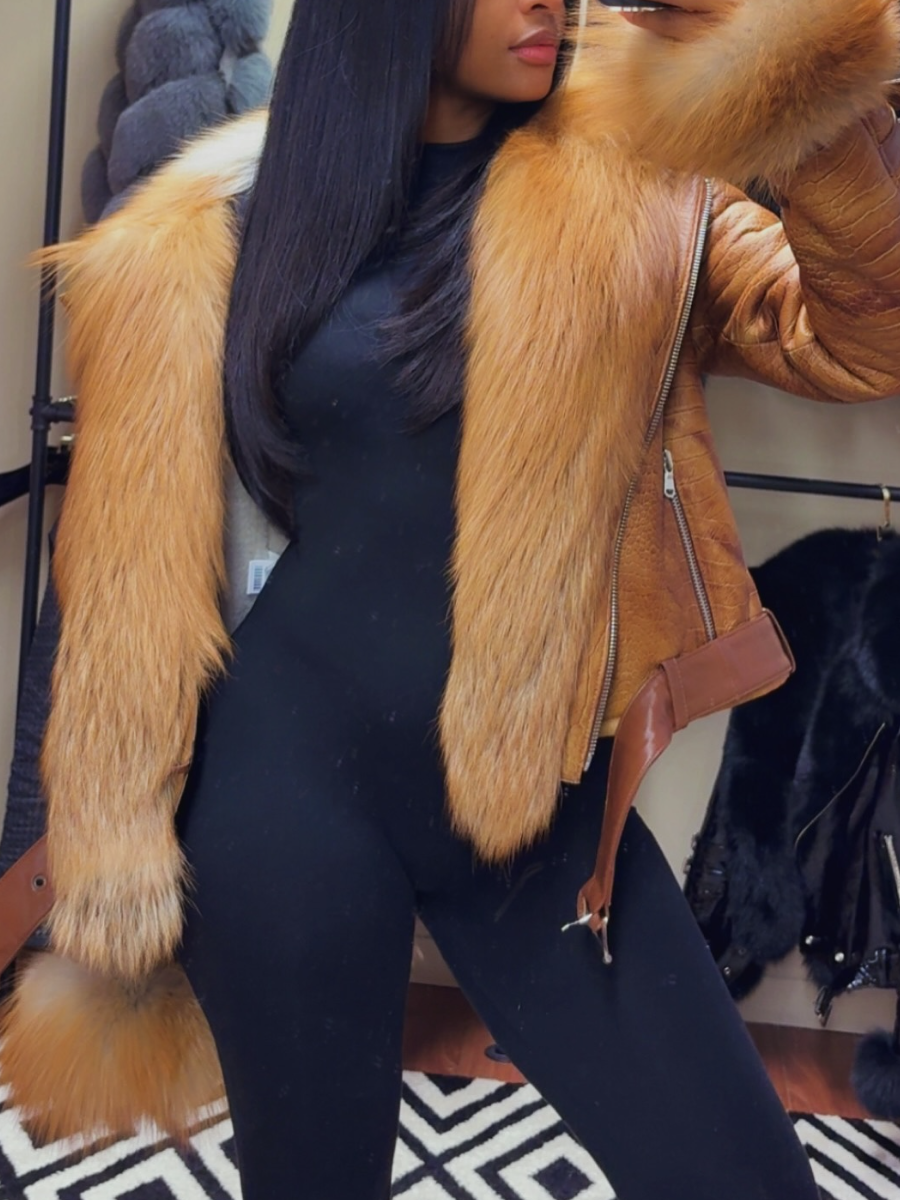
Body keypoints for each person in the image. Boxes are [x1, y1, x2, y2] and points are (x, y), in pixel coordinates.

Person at [2, 0, 900, 1196]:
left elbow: (865, 345)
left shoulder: (639, 195)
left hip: (535, 802)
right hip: (276, 800)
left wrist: (797, 87)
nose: (546, 1)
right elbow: (126, 580)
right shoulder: (202, 229)